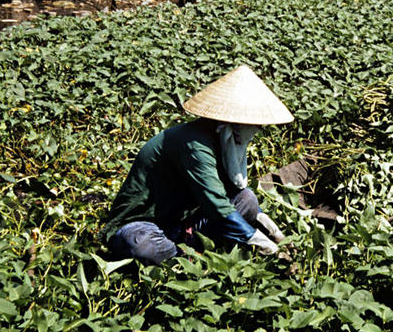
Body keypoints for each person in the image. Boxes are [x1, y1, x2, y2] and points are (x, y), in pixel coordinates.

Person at [99, 65, 293, 265]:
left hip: (186, 220)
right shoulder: (194, 145)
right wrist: (264, 245)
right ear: (234, 123)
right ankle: (186, 259)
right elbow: (217, 204)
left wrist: (272, 230)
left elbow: (230, 195)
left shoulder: (224, 142)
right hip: (146, 223)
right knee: (140, 244)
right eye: (255, 125)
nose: (257, 130)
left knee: (247, 198)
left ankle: (187, 248)